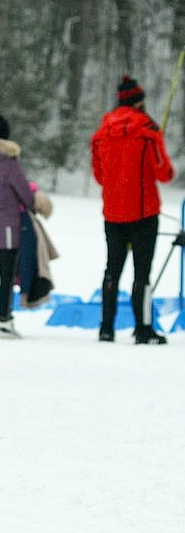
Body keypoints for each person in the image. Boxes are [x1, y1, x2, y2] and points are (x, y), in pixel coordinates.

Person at [91, 75, 176, 344]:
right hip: (143, 213)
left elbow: (99, 176)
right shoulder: (148, 131)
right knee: (142, 273)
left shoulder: (102, 133)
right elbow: (164, 173)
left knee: (112, 270)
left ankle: (106, 327)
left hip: (113, 212)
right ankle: (143, 328)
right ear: (140, 102)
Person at [0, 113, 49, 338]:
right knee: (6, 276)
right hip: (7, 227)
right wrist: (34, 196)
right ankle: (5, 321)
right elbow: (24, 194)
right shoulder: (8, 162)